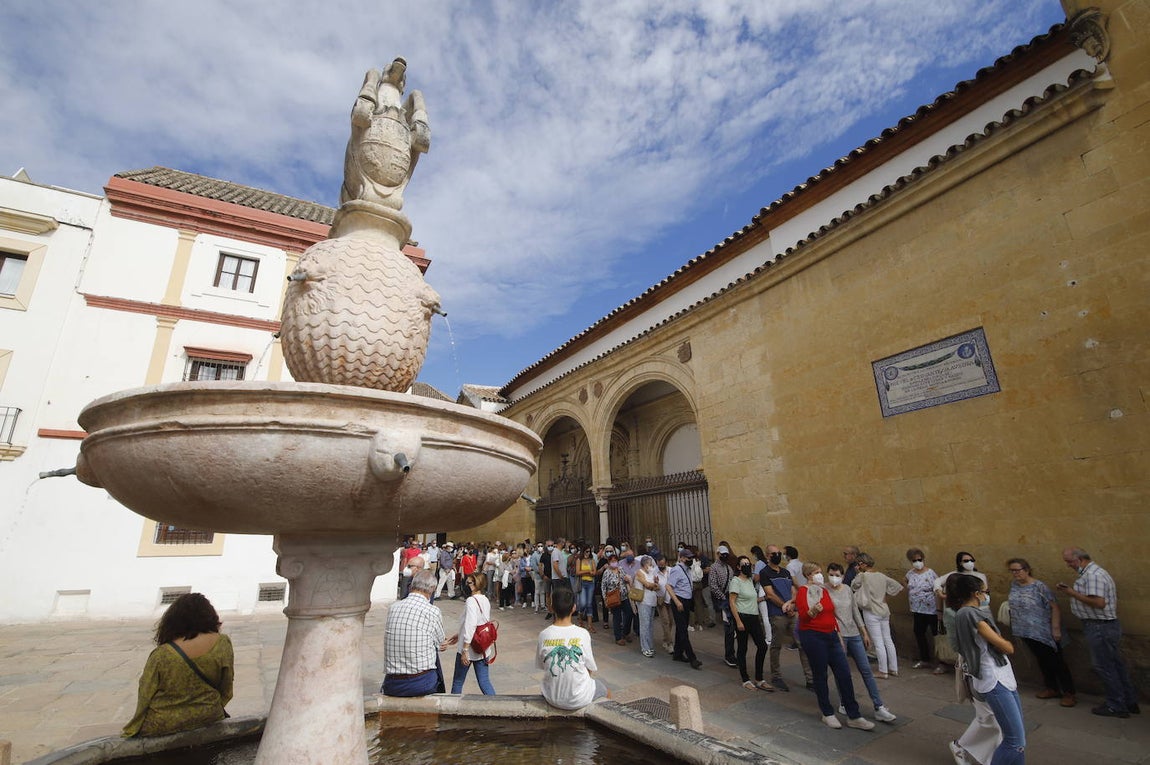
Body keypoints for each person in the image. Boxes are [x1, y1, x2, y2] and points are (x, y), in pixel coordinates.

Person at [122, 593, 234, 737]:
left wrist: (133, 728)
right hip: (209, 715)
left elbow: (145, 694)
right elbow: (226, 687)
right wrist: (210, 707)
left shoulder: (162, 654)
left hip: (163, 723)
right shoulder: (223, 642)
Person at [948, 573, 1025, 764]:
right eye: (985, 592)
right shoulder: (970, 613)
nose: (986, 595)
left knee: (1018, 739)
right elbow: (1006, 647)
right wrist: (1004, 643)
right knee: (1015, 742)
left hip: (1000, 676)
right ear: (976, 593)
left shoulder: (963, 614)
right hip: (994, 678)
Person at [1058, 547, 1138, 718]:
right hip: (1101, 626)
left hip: (1100, 627)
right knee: (1115, 665)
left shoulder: (1093, 575)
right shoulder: (1090, 573)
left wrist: (1071, 593)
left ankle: (1116, 705)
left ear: (1079, 559)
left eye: (1069, 561)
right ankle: (1129, 701)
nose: (1068, 565)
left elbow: (1099, 603)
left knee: (1104, 666)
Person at [796, 563, 875, 731]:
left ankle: (854, 715)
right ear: (809, 575)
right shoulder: (803, 591)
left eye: (819, 572)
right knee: (821, 674)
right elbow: (803, 616)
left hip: (831, 635)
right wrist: (814, 611)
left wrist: (837, 633)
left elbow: (832, 613)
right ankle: (827, 712)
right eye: (817, 572)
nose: (820, 575)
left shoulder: (824, 590)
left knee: (844, 673)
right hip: (813, 636)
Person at [826, 563, 896, 722]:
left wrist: (864, 632)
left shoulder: (847, 590)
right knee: (842, 671)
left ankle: (879, 706)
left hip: (854, 633)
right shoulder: (824, 590)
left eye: (837, 575)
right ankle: (844, 702)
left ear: (843, 576)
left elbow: (855, 611)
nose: (834, 578)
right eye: (831, 574)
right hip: (838, 636)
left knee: (866, 670)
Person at [1004, 558, 1075, 707]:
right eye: (1012, 571)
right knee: (1042, 660)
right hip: (1026, 631)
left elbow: (1054, 607)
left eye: (1018, 570)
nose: (1015, 573)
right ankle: (1052, 688)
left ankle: (1069, 692)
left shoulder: (1039, 586)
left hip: (1045, 631)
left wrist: (1055, 628)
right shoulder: (1014, 585)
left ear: (1027, 570)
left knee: (1057, 661)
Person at [381, 571, 455, 696]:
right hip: (420, 682)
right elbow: (441, 643)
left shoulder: (393, 607)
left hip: (392, 683)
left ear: (412, 586)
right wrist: (443, 643)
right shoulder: (432, 611)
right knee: (436, 666)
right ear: (432, 589)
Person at [537, 586, 608, 710]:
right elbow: (590, 668)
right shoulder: (583, 633)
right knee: (605, 690)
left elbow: (543, 665)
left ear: (551, 608)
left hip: (552, 697)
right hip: (579, 698)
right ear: (574, 608)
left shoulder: (544, 635)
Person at [760, 544, 812, 691]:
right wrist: (785, 606)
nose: (777, 556)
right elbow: (770, 594)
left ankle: (810, 678)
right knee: (776, 645)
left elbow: (793, 589)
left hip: (791, 612)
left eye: (778, 553)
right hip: (777, 614)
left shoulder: (785, 572)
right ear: (767, 556)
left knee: (801, 644)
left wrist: (793, 604)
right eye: (773, 554)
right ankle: (776, 676)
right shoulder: (765, 573)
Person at [851, 552, 904, 678]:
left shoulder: (863, 576)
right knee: (888, 640)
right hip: (884, 610)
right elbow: (897, 586)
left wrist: (858, 573)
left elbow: (853, 586)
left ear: (862, 564)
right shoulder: (882, 576)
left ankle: (883, 670)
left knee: (878, 641)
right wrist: (885, 596)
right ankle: (893, 668)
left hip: (871, 611)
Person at [729, 554, 773, 691]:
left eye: (749, 563)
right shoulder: (736, 581)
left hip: (754, 617)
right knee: (742, 648)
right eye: (744, 564)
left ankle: (759, 678)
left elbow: (752, 599)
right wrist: (738, 621)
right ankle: (745, 679)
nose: (747, 566)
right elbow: (732, 602)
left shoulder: (750, 580)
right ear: (738, 567)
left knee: (762, 646)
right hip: (742, 617)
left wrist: (764, 598)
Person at [451, 572, 496, 695]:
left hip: (469, 647)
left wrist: (465, 649)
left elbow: (471, 624)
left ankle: (453, 709)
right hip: (482, 646)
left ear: (477, 584)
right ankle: (496, 704)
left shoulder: (471, 600)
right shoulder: (485, 599)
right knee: (484, 681)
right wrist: (459, 634)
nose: (467, 585)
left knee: (458, 681)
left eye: (469, 583)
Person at [904, 547, 945, 673]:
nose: (917, 562)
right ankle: (925, 659)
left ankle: (941, 662)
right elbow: (905, 581)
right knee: (919, 633)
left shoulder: (931, 573)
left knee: (936, 636)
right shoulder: (910, 573)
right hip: (917, 610)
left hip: (931, 610)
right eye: (914, 560)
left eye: (919, 559)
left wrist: (939, 611)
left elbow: (938, 589)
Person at [666, 548, 702, 669]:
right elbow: (669, 586)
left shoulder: (687, 569)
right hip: (679, 601)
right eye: (687, 558)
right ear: (681, 558)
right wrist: (677, 602)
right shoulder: (677, 569)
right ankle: (692, 658)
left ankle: (678, 653)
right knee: (683, 630)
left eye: (691, 557)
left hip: (686, 600)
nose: (690, 560)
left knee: (682, 628)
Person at [711, 543, 739, 667]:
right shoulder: (714, 568)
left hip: (730, 599)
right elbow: (713, 585)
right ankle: (729, 655)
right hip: (723, 601)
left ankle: (732, 653)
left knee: (732, 629)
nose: (724, 556)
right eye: (722, 554)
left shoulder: (729, 568)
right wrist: (723, 598)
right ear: (718, 554)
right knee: (728, 628)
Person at [600, 551, 629, 646]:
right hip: (614, 597)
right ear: (609, 562)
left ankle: (625, 631)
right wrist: (605, 599)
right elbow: (603, 586)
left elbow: (625, 578)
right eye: (612, 561)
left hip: (624, 596)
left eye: (615, 561)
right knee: (617, 617)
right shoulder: (606, 573)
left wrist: (627, 579)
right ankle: (618, 637)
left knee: (629, 613)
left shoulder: (621, 569)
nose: (614, 562)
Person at [635, 555, 660, 658]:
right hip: (644, 602)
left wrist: (654, 585)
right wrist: (653, 585)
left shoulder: (652, 573)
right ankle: (645, 647)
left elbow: (657, 586)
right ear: (645, 565)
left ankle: (650, 646)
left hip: (652, 601)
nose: (651, 566)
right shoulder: (639, 572)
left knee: (650, 625)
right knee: (644, 625)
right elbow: (647, 585)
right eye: (650, 564)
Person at [575, 545, 598, 631]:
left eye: (589, 552)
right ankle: (580, 617)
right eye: (586, 551)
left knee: (589, 604)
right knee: (583, 603)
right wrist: (588, 571)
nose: (588, 553)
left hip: (590, 583)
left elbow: (594, 572)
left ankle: (590, 625)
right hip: (583, 583)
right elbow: (577, 572)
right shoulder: (579, 560)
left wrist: (587, 572)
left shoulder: (591, 560)